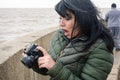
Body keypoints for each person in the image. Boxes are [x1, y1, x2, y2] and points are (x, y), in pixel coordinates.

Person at [22, 0, 114, 80]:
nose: (61, 24)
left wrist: (55, 68)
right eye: (60, 18)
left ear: (83, 18)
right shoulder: (59, 36)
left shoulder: (100, 47)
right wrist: (36, 61)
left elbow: (54, 69)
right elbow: (49, 70)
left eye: (67, 18)